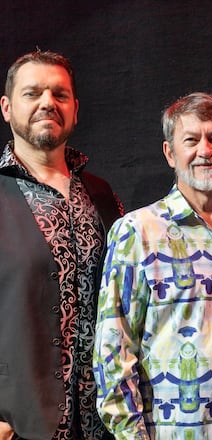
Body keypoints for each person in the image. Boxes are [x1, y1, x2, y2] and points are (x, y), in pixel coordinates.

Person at [93, 93, 212, 439]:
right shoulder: (137, 233)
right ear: (170, 153)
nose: (205, 151)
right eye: (191, 140)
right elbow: (112, 353)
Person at [0, 50, 122, 440]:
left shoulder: (102, 195)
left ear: (75, 109)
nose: (48, 102)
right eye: (32, 93)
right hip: (20, 423)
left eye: (60, 94)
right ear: (6, 108)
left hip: (102, 421)